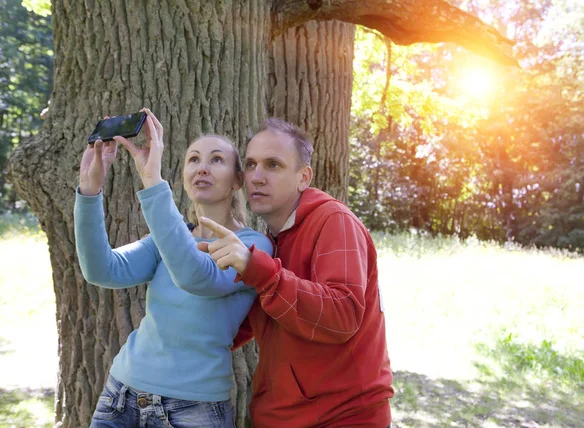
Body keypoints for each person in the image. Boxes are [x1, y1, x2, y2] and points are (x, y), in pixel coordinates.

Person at [74, 108, 272, 427]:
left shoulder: (253, 246)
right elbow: (102, 270)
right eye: (193, 159)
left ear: (238, 180)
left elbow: (197, 277)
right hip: (121, 394)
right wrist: (89, 191)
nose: (202, 168)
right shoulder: (170, 237)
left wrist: (152, 180)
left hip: (194, 408)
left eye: (216, 160)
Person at [198, 118, 394, 427]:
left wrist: (258, 270)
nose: (257, 177)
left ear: (304, 177)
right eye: (250, 165)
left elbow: (343, 313)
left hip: (342, 416)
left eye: (273, 165)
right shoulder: (269, 240)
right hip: (279, 415)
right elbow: (245, 319)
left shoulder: (334, 222)